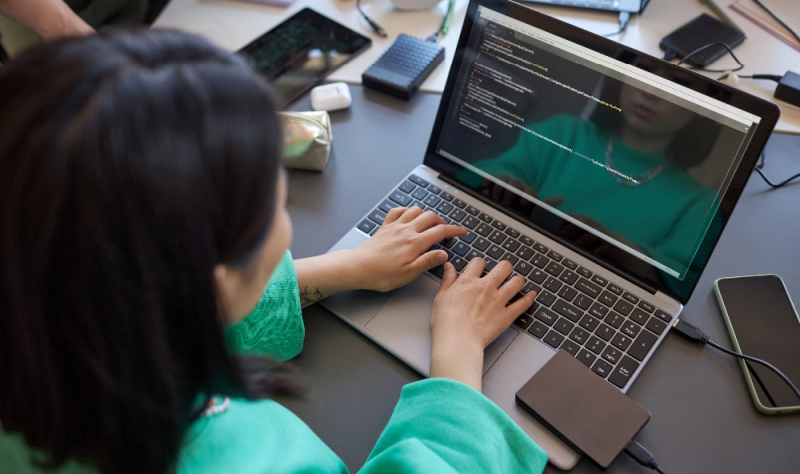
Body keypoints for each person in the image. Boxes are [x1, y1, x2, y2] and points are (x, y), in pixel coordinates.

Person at [0, 30, 548, 474]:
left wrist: (348, 266)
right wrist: (456, 359)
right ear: (211, 272)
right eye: (275, 206)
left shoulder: (49, 314)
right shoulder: (241, 458)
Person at [460, 64, 723, 279]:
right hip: (501, 257)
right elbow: (474, 174)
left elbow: (678, 281)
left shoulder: (701, 205)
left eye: (680, 82)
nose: (649, 90)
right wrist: (501, 184)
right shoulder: (563, 131)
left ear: (706, 106)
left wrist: (614, 249)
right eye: (643, 69)